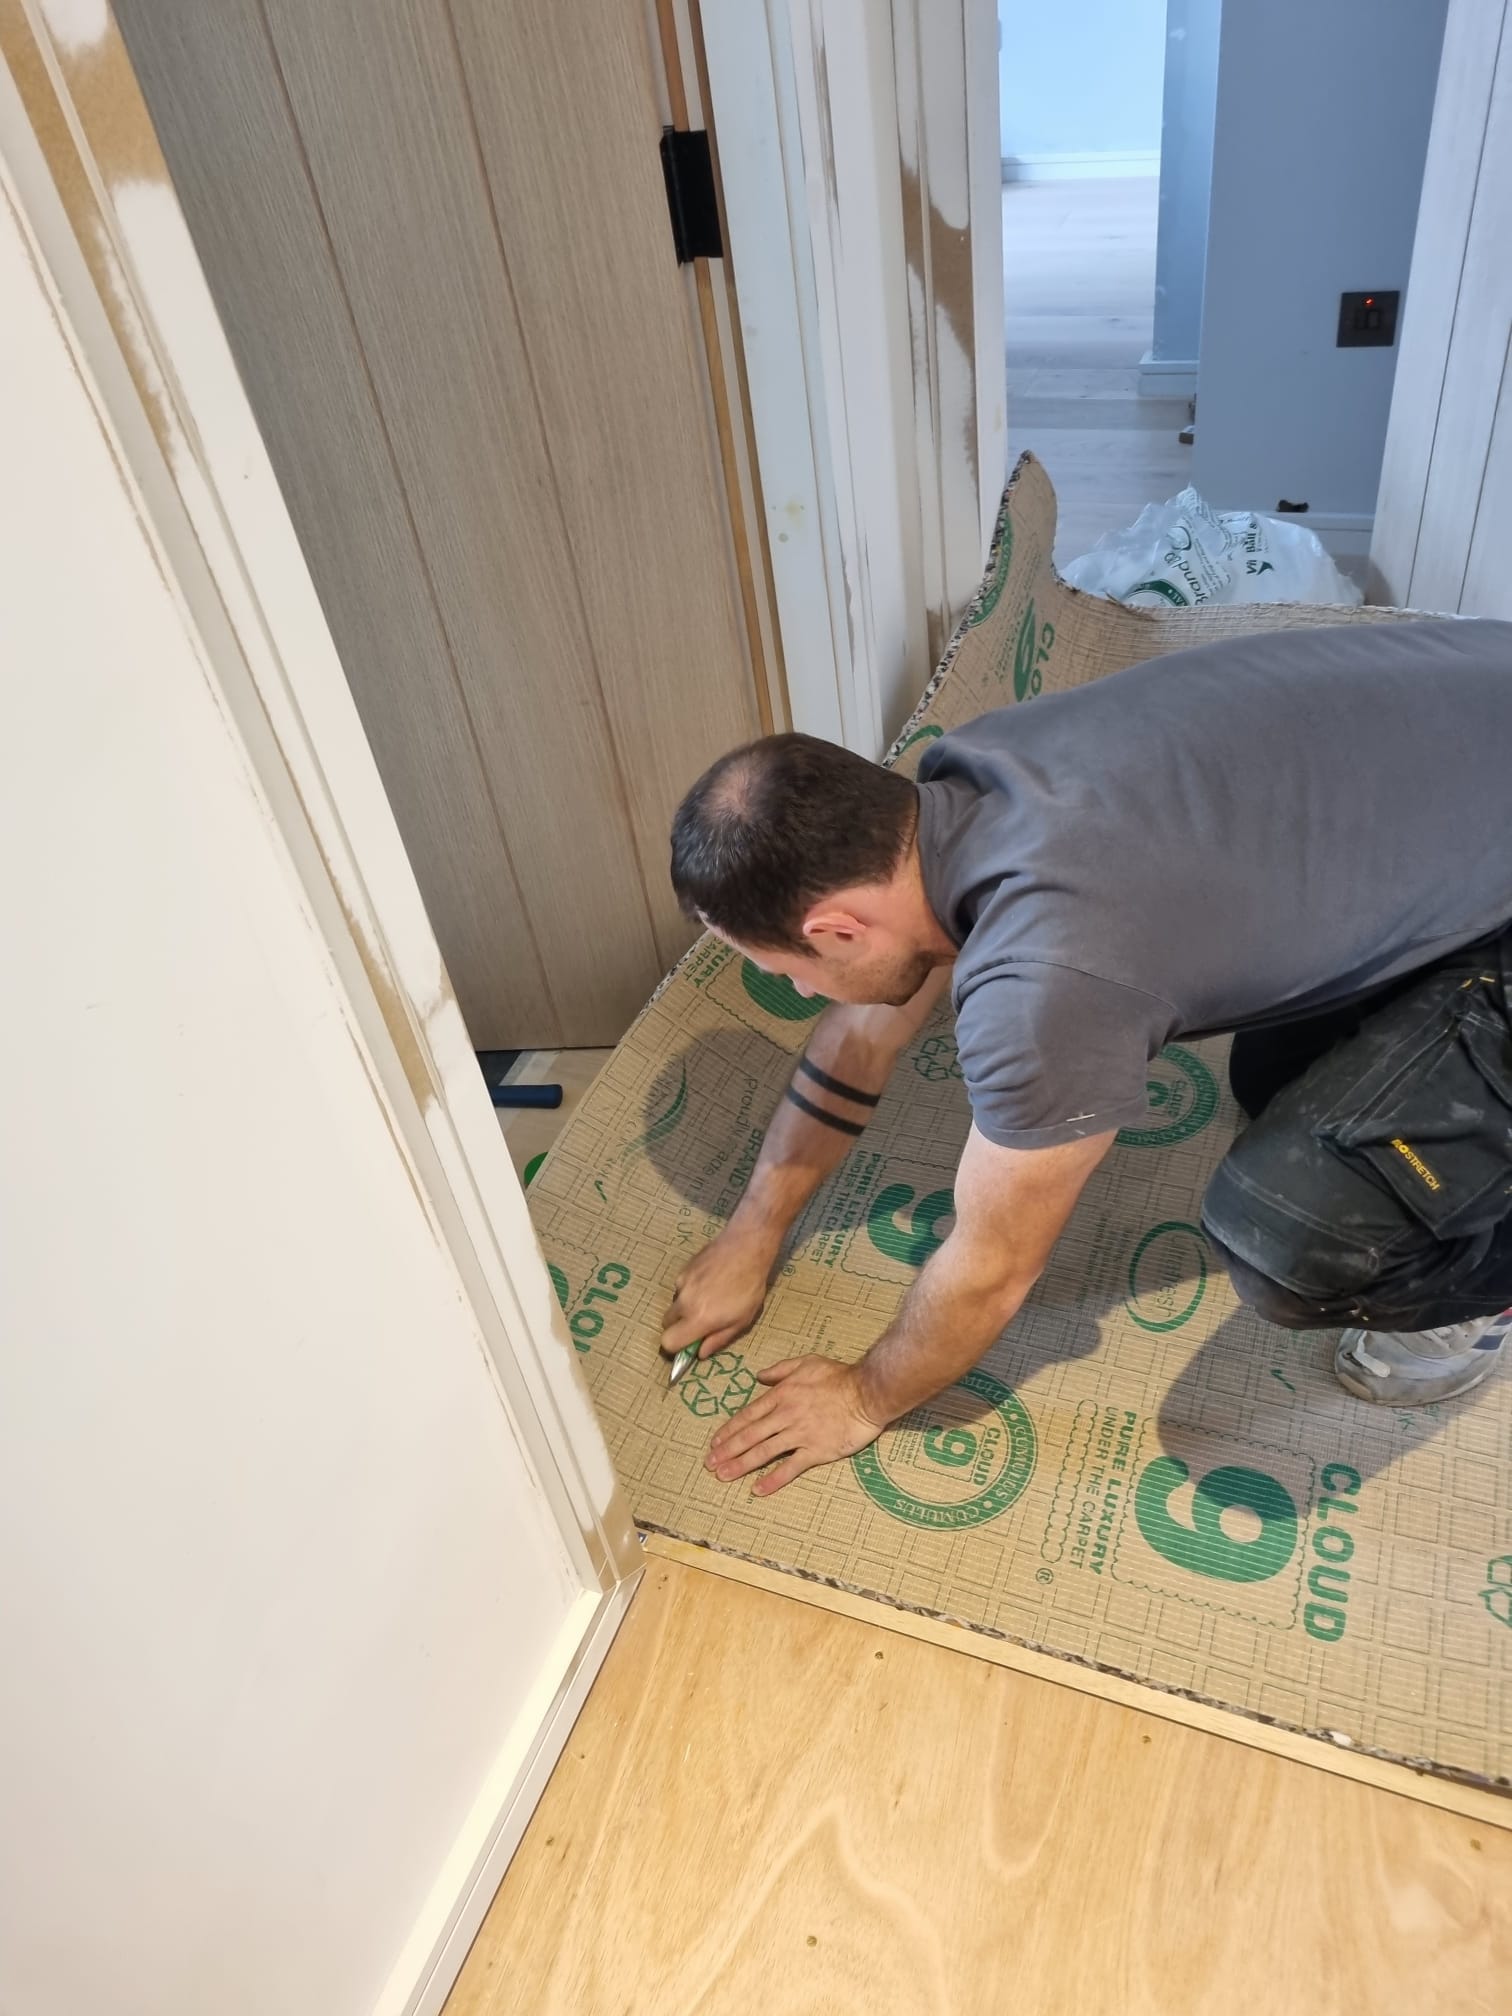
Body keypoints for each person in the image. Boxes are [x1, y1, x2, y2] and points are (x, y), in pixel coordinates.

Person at [659, 618, 1512, 1498]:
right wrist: (753, 1230)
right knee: (1275, 1082)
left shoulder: (1042, 984)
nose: (805, 996)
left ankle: (1487, 1290)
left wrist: (865, 1398)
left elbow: (990, 1270)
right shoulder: (975, 775)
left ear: (837, 928)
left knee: (1289, 1232)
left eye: (790, 972)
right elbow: (867, 1029)